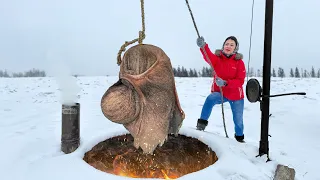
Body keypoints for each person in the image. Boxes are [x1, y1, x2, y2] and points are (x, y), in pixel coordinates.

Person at [196, 36, 246, 142]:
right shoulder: (217, 59)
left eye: (232, 45)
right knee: (210, 99)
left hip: (236, 95)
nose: (228, 46)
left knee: (238, 120)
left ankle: (240, 139)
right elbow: (208, 56)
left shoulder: (239, 63)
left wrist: (226, 83)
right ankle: (200, 126)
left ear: (235, 48)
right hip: (221, 93)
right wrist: (203, 46)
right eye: (227, 44)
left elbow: (240, 81)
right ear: (223, 46)